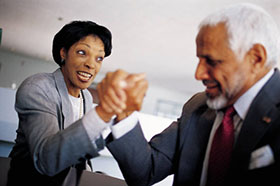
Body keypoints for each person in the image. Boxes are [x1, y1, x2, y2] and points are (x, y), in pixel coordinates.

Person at [98, 3, 280, 186]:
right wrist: (124, 113)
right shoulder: (197, 107)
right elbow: (145, 171)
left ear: (256, 58)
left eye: (211, 61)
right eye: (199, 59)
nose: (198, 74)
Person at [7, 20, 145, 186]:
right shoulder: (38, 87)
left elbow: (80, 146)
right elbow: (47, 161)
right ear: (63, 53)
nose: (91, 65)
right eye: (82, 52)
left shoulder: (86, 96)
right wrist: (103, 112)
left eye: (99, 58)